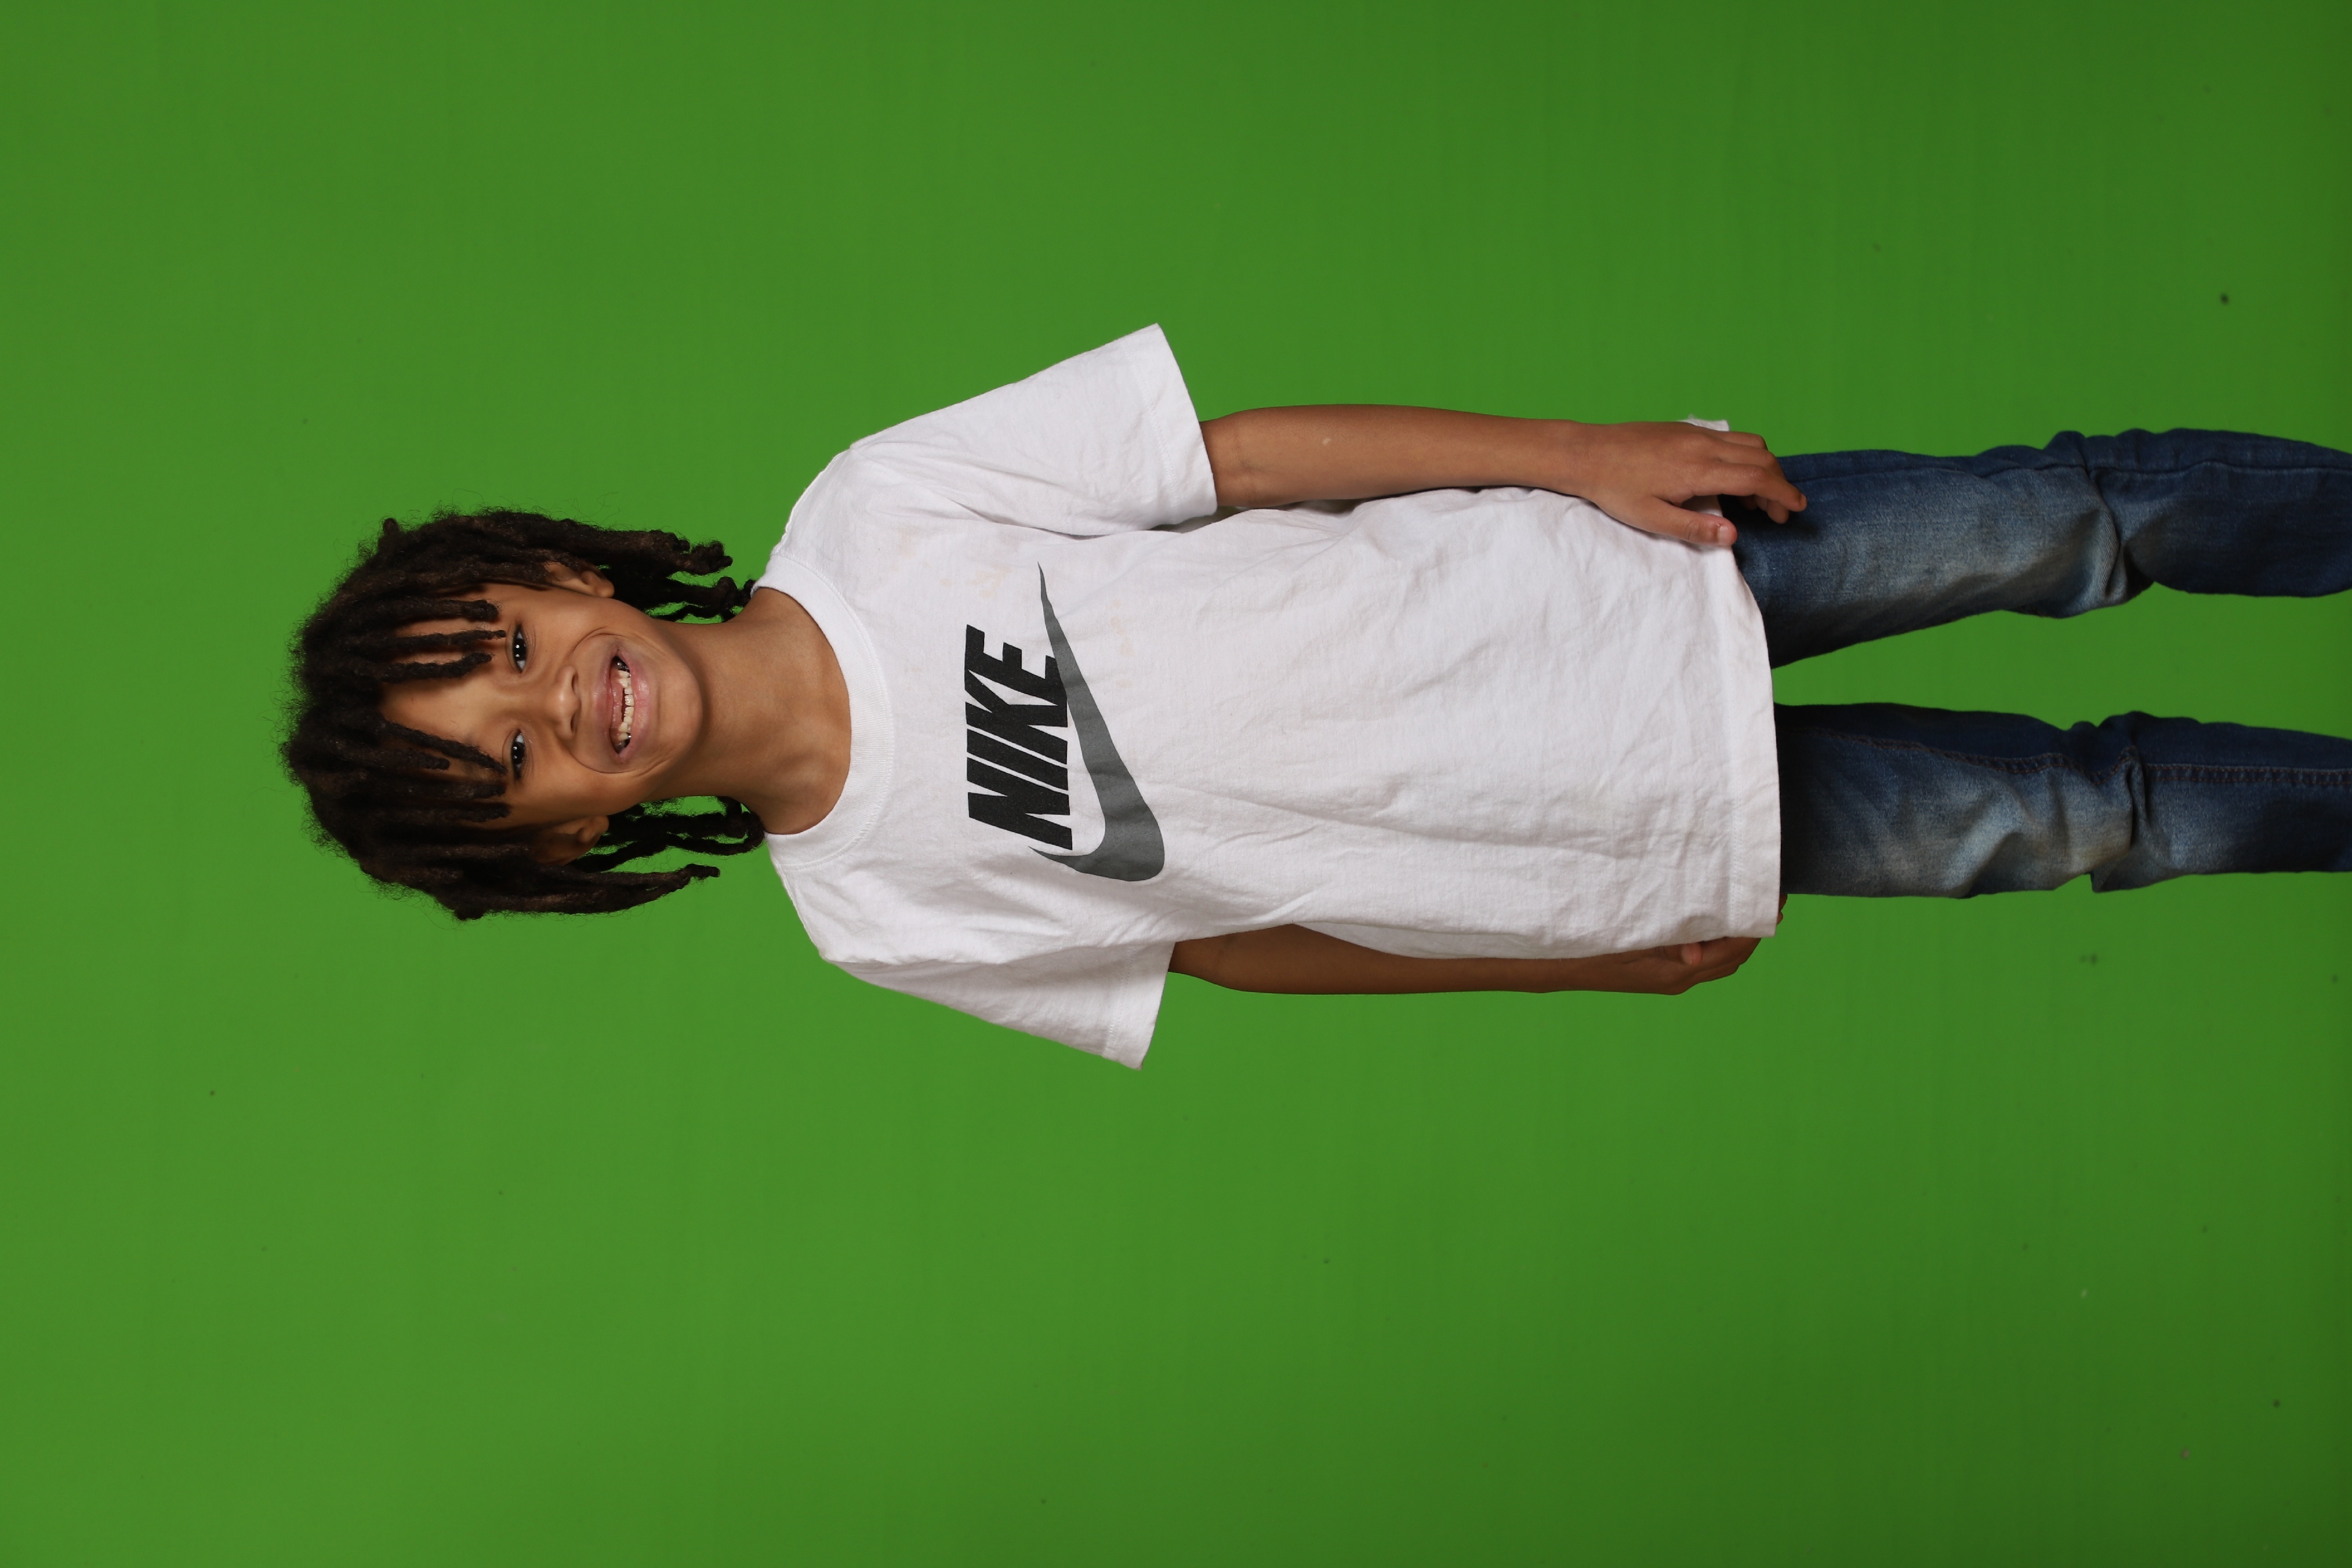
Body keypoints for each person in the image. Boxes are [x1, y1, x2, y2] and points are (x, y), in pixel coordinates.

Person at [284, 327, 2352, 1066]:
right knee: (2087, 818)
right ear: (563, 840)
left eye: (510, 649)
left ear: (555, 576)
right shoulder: (875, 917)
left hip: (1587, 585)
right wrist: (1583, 964)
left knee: (2065, 520)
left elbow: (1235, 459)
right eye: (513, 763)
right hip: (1607, 834)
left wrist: (1575, 454)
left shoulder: (875, 509)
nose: (561, 705)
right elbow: (1233, 952)